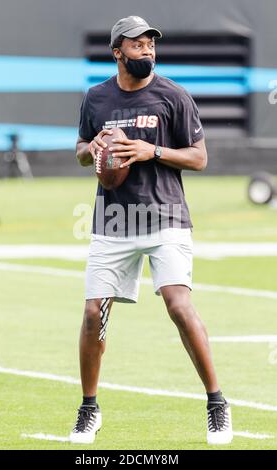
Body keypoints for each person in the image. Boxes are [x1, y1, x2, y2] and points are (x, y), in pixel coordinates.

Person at [70, 15, 233, 446]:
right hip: (113, 220)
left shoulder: (173, 95)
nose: (147, 51)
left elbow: (199, 159)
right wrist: (96, 150)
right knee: (92, 314)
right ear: (117, 51)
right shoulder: (96, 98)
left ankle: (217, 403)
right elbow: (82, 150)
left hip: (165, 217)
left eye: (150, 44)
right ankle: (89, 409)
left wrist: (152, 150)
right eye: (137, 45)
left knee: (179, 305)